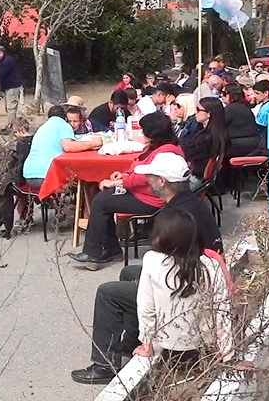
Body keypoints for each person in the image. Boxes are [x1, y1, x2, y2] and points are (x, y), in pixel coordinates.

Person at [69, 153, 224, 385]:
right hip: (195, 274)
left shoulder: (174, 215)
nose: (147, 181)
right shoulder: (189, 203)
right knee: (129, 274)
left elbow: (153, 286)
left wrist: (149, 339)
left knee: (108, 292)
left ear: (162, 181)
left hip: (186, 288)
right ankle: (130, 341)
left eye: (151, 177)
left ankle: (104, 364)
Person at [67, 113, 183, 270]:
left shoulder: (167, 152)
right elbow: (138, 164)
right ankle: (109, 250)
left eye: (144, 131)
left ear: (154, 133)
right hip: (144, 193)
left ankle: (94, 253)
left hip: (154, 199)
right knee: (103, 199)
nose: (142, 134)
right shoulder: (157, 147)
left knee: (101, 201)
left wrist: (118, 182)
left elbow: (144, 177)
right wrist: (124, 174)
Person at [133, 208, 233, 374]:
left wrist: (147, 344)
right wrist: (227, 355)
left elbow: (146, 307)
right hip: (204, 347)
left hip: (169, 347)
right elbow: (222, 311)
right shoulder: (210, 266)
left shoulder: (152, 260)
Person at [22, 106, 102, 189]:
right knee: (80, 180)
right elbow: (68, 146)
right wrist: (93, 143)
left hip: (29, 174)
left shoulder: (42, 127)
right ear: (65, 118)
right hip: (46, 175)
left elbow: (74, 139)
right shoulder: (63, 125)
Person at [0, 119, 31, 238]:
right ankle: (7, 223)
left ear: (17, 131)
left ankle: (1, 226)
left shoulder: (18, 145)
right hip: (29, 175)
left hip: (16, 179)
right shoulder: (34, 140)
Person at [181, 98, 227, 188]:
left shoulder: (205, 139)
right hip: (199, 179)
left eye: (198, 109)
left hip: (194, 180)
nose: (195, 113)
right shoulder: (217, 134)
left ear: (209, 114)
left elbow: (184, 153)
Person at [220, 84, 260, 158]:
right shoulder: (245, 107)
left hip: (237, 146)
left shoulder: (230, 109)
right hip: (252, 144)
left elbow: (218, 124)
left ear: (232, 95)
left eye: (224, 93)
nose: (222, 95)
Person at [0, 46, 23, 128]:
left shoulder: (7, 61)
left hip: (13, 87)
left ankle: (12, 127)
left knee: (11, 108)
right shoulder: (4, 61)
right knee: (8, 108)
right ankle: (11, 125)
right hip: (9, 87)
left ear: (1, 52)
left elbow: (1, 74)